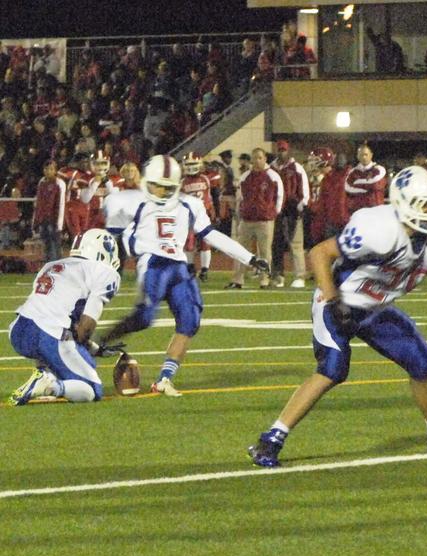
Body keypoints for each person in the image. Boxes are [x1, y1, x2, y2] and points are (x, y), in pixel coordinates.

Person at [248, 166, 427, 467]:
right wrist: (335, 302)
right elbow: (319, 253)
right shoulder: (379, 230)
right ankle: (270, 439)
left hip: (374, 308)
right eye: (426, 204)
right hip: (338, 300)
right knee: (332, 370)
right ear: (404, 203)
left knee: (420, 361)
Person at [98, 155, 270, 397]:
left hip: (179, 266)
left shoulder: (190, 204)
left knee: (190, 320)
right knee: (145, 318)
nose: (161, 192)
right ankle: (101, 340)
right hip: (152, 264)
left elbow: (211, 235)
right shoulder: (128, 201)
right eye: (157, 185)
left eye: (167, 187)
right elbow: (108, 238)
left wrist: (249, 257)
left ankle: (164, 379)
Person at [8, 229, 120, 405]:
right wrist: (87, 347)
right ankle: (50, 385)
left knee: (65, 353)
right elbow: (85, 329)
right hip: (48, 334)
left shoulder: (51, 265)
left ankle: (44, 373)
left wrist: (95, 349)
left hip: (19, 331)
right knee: (92, 389)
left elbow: (54, 311)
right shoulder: (104, 272)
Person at [227, 148, 284, 289]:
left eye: (259, 157)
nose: (257, 161)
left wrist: (273, 213)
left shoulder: (273, 176)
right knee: (241, 250)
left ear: (265, 159)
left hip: (265, 220)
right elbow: (240, 197)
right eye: (255, 158)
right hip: (247, 220)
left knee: (265, 252)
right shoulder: (245, 176)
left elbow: (280, 196)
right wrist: (239, 213)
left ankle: (264, 280)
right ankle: (238, 279)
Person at [271, 139, 309, 288]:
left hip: (292, 210)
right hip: (277, 212)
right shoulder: (272, 168)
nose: (281, 153)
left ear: (288, 151)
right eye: (279, 150)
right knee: (277, 245)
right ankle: (278, 275)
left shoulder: (297, 168)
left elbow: (304, 190)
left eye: (284, 150)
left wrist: (301, 205)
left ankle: (300, 275)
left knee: (296, 244)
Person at [180, 152, 220, 281]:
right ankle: (190, 267)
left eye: (193, 164)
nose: (191, 167)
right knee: (189, 243)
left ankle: (204, 269)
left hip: (203, 215)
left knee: (205, 242)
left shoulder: (205, 179)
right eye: (189, 164)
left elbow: (209, 198)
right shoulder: (183, 182)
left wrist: (213, 212)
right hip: (189, 216)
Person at [32, 159, 66, 262]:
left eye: (51, 169)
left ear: (55, 170)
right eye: (46, 169)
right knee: (46, 246)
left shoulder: (59, 183)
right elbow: (39, 203)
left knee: (55, 246)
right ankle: (48, 268)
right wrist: (36, 221)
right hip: (43, 220)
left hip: (53, 221)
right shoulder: (41, 182)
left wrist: (59, 224)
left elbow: (61, 204)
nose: (48, 171)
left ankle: (58, 268)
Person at [344, 143, 387, 217]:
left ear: (371, 155)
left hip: (376, 213)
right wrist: (367, 185)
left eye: (366, 154)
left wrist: (357, 183)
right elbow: (347, 188)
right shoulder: (353, 172)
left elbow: (376, 185)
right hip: (358, 213)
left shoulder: (378, 170)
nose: (364, 157)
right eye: (361, 155)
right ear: (357, 156)